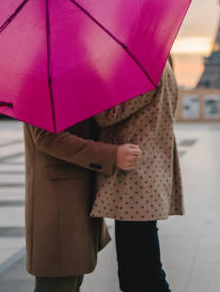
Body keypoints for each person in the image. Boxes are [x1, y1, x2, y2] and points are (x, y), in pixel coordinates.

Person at [91, 56, 183, 292]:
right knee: (135, 273)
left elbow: (107, 114)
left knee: (143, 274)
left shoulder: (143, 66)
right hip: (147, 176)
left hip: (136, 182)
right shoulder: (162, 62)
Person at [23, 119, 142, 292]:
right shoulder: (41, 91)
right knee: (58, 280)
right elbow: (47, 137)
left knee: (71, 278)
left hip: (72, 198)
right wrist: (111, 155)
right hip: (59, 202)